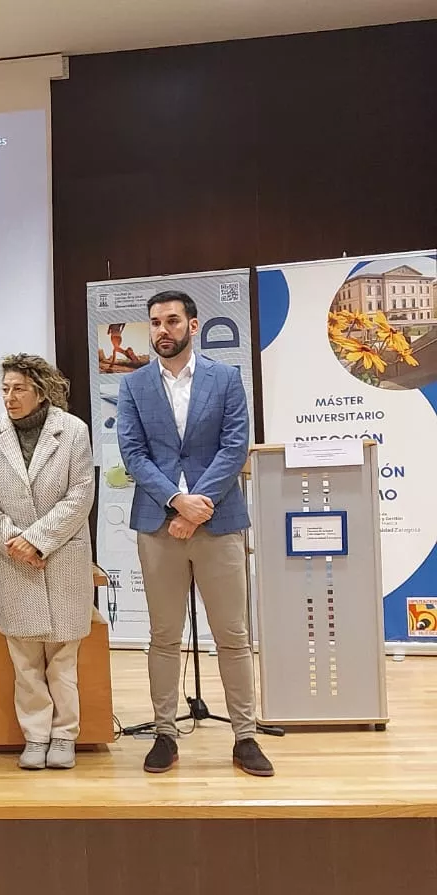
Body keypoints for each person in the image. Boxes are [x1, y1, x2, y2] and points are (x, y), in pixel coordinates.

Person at [116, 290, 273, 777]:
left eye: (171, 321)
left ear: (193, 324)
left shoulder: (225, 378)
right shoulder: (135, 384)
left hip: (218, 520)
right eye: (155, 323)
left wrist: (196, 507)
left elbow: (234, 446)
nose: (162, 330)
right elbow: (133, 452)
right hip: (158, 522)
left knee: (232, 635)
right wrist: (176, 502)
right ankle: (165, 732)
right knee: (163, 636)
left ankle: (245, 736)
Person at [0, 356, 96, 771]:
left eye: (18, 388)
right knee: (24, 662)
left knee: (62, 659)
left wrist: (37, 541)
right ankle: (35, 736)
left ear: (40, 389)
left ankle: (64, 736)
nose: (9, 397)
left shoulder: (72, 431)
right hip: (12, 561)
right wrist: (16, 543)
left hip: (61, 558)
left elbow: (80, 495)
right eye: (4, 389)